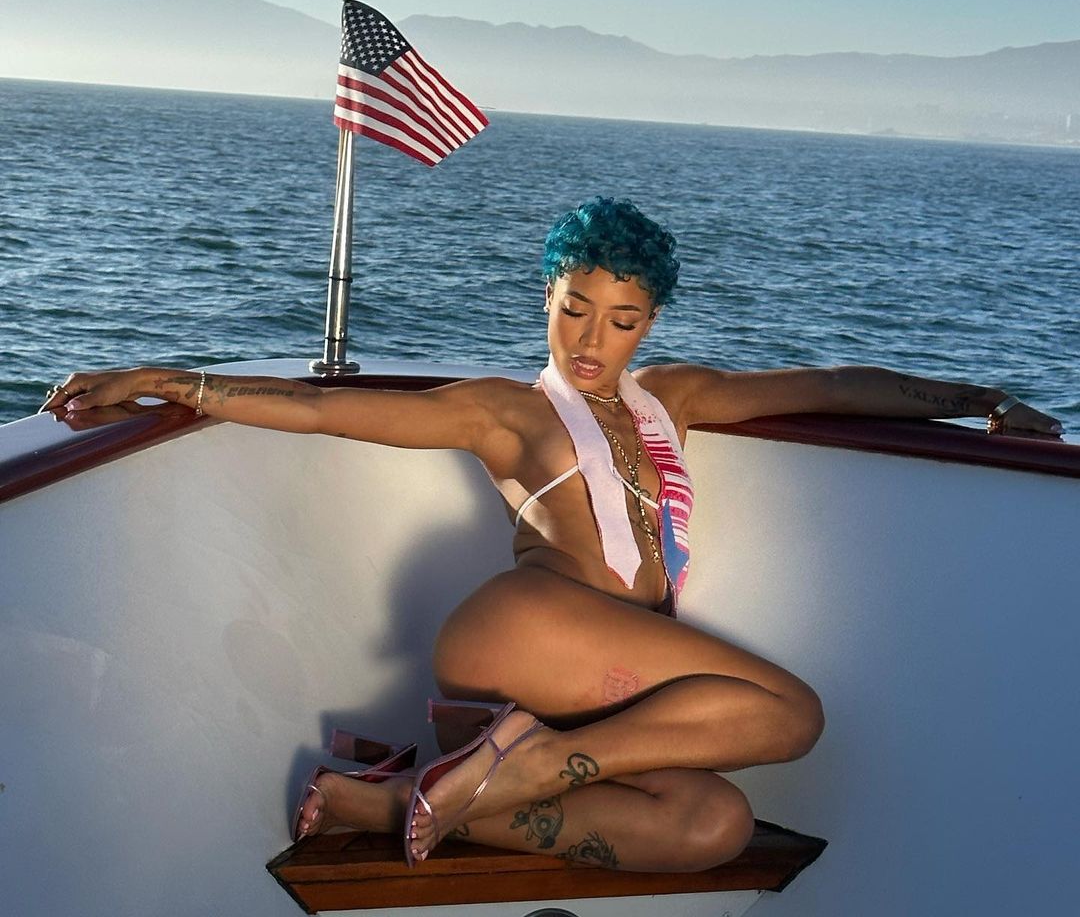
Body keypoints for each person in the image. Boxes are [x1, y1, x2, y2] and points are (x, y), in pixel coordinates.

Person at [43, 196, 1063, 873]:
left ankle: (384, 798)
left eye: (622, 318)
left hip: (598, 687)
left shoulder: (673, 398)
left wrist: (982, 397)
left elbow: (833, 386)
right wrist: (168, 380)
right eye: (576, 307)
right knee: (793, 715)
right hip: (525, 632)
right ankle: (522, 759)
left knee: (713, 823)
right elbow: (325, 410)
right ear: (549, 294)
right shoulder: (508, 412)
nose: (591, 339)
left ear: (649, 324)